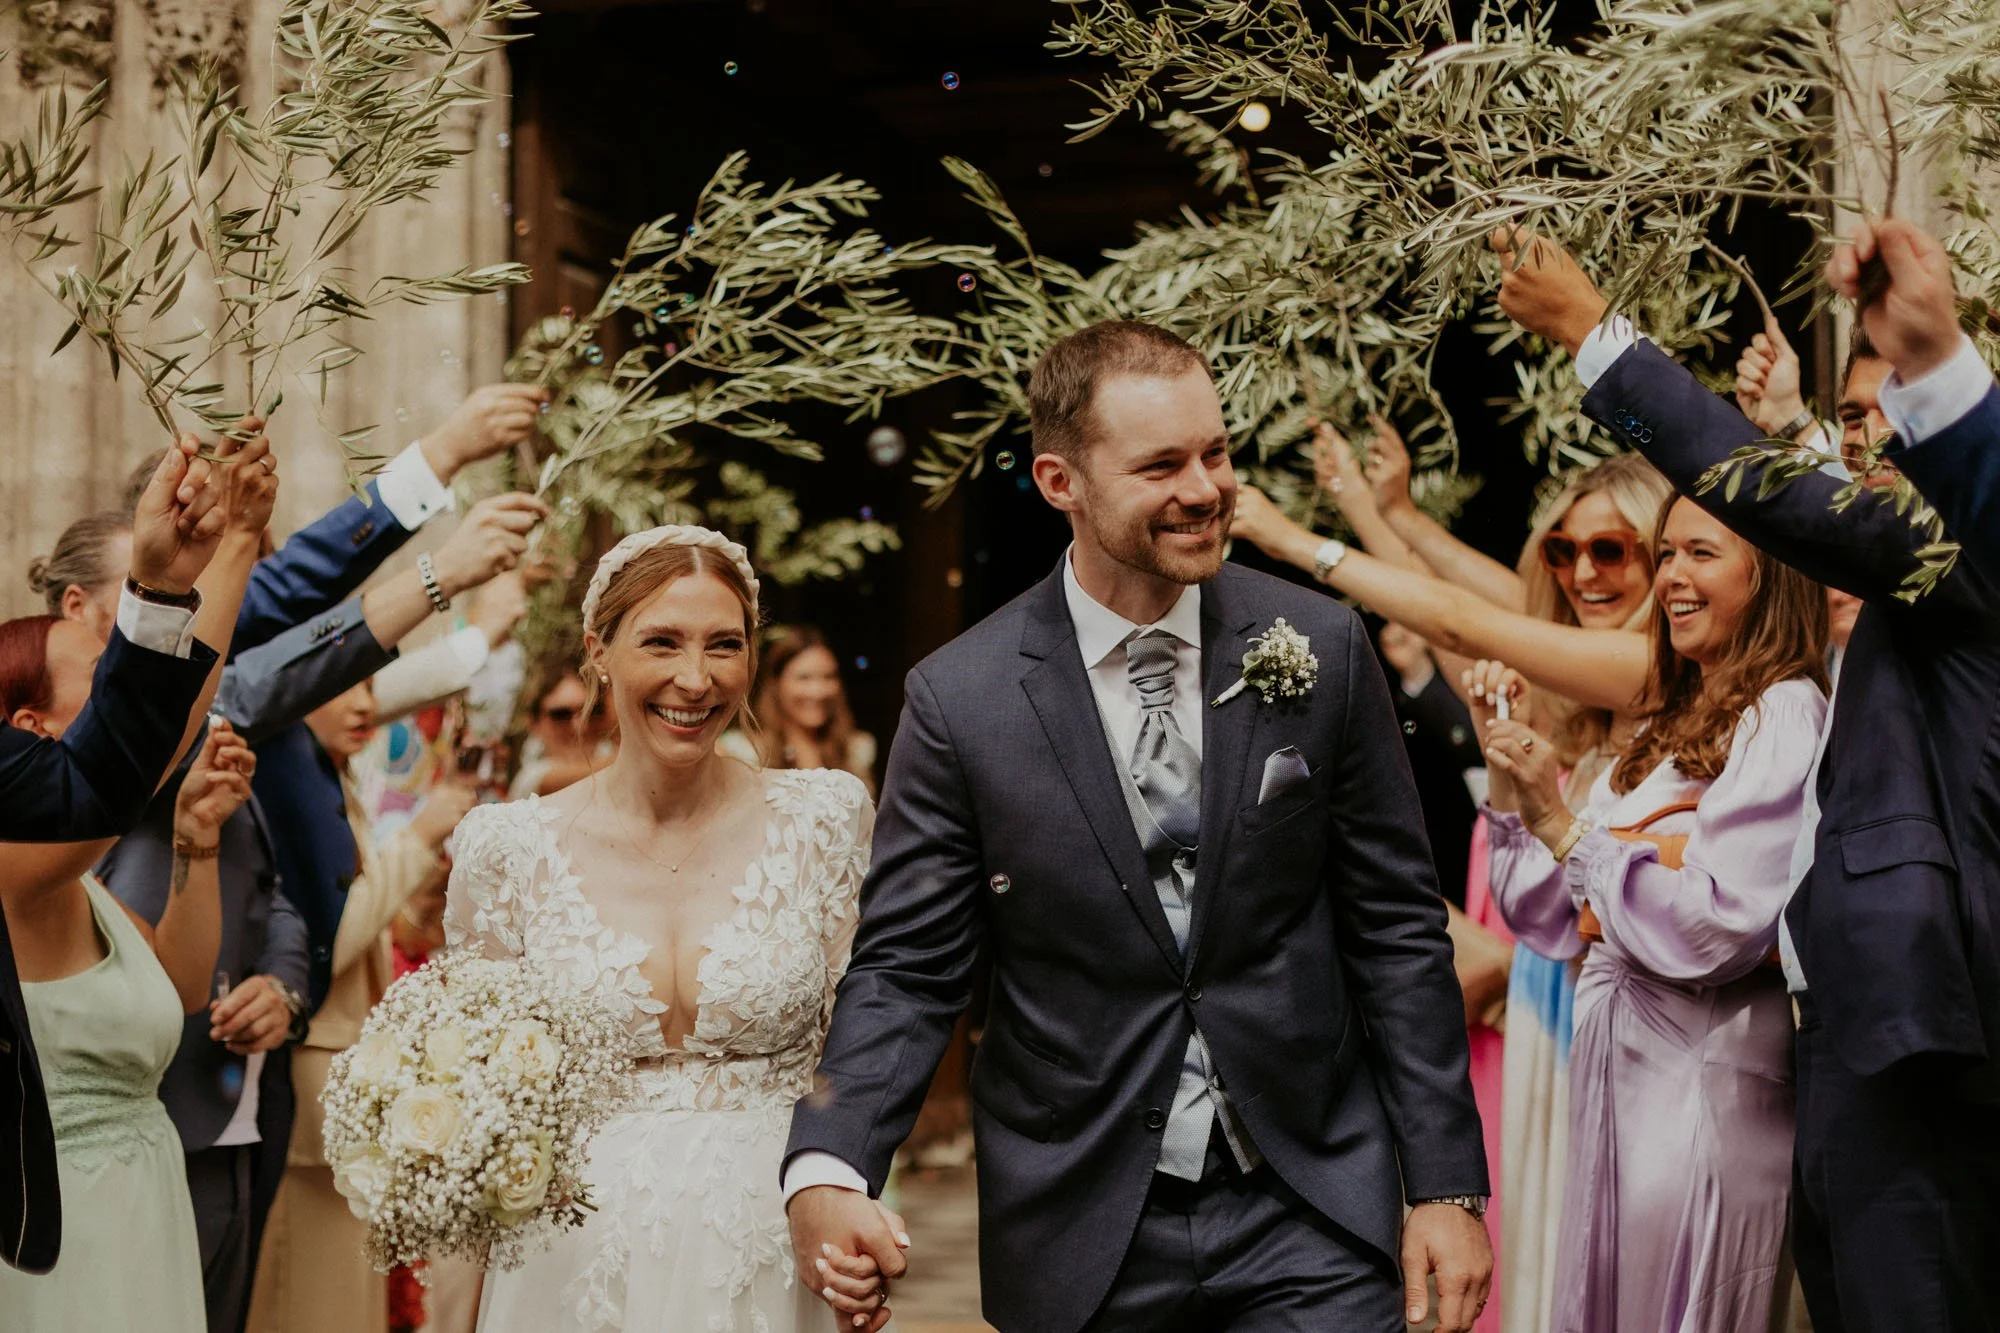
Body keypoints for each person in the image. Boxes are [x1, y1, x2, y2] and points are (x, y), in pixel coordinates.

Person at [786, 320, 1490, 1333]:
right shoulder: (962, 699)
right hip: (1083, 1215)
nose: (1204, 488)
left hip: (1312, 1202)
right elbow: (907, 966)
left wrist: (1445, 1187)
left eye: (1215, 453)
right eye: (1160, 464)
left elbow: (1393, 929)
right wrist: (830, 1158)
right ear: (1057, 480)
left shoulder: (1320, 645)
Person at [1492, 223, 2000, 1331]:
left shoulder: (1960, 559)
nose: (1860, 456)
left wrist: (1589, 331)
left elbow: (1775, 497)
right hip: (1836, 1046)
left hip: (1915, 1038)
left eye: (1878, 423)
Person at [1230, 439, 1673, 1333]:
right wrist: (1376, 508)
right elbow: (1471, 615)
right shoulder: (1591, 692)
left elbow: (1464, 621)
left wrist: (1291, 540)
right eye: (1562, 550)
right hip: (1559, 1014)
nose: (1583, 572)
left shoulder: (1652, 676)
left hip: (1606, 1026)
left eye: (1612, 550)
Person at [444, 525, 874, 1333]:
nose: (695, 677)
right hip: (567, 1266)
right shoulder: (506, 848)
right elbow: (482, 1111)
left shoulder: (825, 817)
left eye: (724, 644)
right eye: (662, 642)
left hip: (775, 1251)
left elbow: (862, 1051)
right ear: (597, 650)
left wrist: (852, 1200)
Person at [1480, 494, 1827, 1331]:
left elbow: (1717, 922)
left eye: (1699, 553)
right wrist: (1513, 783)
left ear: (1766, 573)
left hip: (1699, 1099)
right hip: (1618, 1100)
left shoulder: (1781, 711)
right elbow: (1550, 917)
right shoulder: (1670, 726)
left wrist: (1571, 831)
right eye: (1666, 554)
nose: (1671, 576)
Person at [0, 432, 254, 1273]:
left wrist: (196, 847)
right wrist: (195, 573)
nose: (125, 691)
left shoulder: (85, 885)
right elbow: (142, 747)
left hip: (149, 1215)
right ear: (30, 735)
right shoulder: (26, 867)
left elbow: (180, 984)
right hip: (67, 1234)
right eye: (100, 682)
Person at [245, 679, 478, 1333]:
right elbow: (326, 944)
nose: (365, 705)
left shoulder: (335, 783)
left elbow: (371, 932)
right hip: (316, 1070)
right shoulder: (287, 790)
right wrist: (419, 838)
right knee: (309, 1296)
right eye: (342, 685)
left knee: (350, 1294)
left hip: (355, 1069)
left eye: (373, 685)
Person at [1823, 217, 2000, 576]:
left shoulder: (1969, 569)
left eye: (1897, 409)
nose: (1870, 439)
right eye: (1854, 418)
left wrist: (1934, 360)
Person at [730, 624, 878, 796]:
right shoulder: (744, 752)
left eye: (828, 677)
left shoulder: (858, 749)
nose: (818, 691)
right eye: (804, 678)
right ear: (777, 684)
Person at [506, 659, 615, 799]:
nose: (580, 725)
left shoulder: (610, 757)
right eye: (561, 714)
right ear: (534, 724)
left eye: (591, 711)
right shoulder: (531, 778)